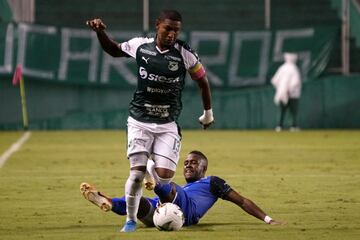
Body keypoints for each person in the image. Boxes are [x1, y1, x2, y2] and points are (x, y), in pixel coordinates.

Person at [86, 10, 214, 232]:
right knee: (135, 174)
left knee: (164, 180)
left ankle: (151, 167)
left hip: (167, 125)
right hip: (139, 120)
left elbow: (203, 82)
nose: (172, 34)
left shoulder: (184, 53)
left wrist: (208, 113)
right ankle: (131, 220)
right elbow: (113, 50)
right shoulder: (140, 46)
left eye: (176, 30)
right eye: (168, 28)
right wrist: (100, 33)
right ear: (158, 25)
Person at [80, 150, 284, 229]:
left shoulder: (212, 182)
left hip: (188, 211)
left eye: (193, 163)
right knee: (139, 203)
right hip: (165, 210)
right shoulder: (185, 185)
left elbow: (242, 201)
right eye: (185, 162)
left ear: (204, 168)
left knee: (173, 189)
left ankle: (155, 179)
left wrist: (268, 219)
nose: (187, 165)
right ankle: (106, 200)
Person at [271, 52, 302, 132]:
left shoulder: (282, 68)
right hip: (292, 94)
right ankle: (293, 126)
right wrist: (289, 90)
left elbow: (274, 80)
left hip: (282, 93)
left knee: (282, 111)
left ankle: (279, 126)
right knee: (292, 111)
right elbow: (296, 82)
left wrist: (281, 89)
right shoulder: (294, 68)